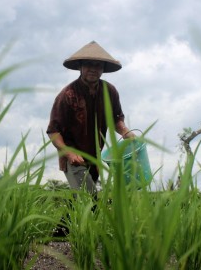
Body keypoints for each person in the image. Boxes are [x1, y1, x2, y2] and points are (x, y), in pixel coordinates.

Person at [47, 40, 135, 196]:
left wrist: (126, 133)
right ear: (81, 67)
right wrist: (69, 153)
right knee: (90, 199)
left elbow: (115, 119)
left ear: (103, 69)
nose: (93, 69)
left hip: (95, 157)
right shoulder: (67, 95)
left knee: (79, 204)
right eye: (89, 64)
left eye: (98, 65)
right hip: (73, 158)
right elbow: (53, 131)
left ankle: (63, 222)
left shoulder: (109, 91)